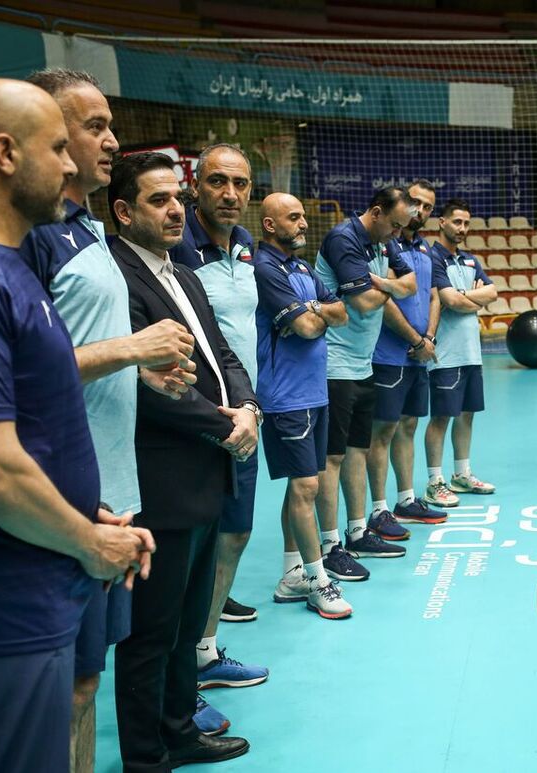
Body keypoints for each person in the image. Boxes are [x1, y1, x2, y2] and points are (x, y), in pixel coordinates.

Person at [0, 77, 152, 773]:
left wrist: (80, 509)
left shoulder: (6, 266)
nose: (72, 165)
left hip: (41, 576)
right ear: (7, 153)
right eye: (58, 149)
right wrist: (90, 540)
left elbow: (27, 422)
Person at [19, 67, 202, 767]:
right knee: (56, 689)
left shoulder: (87, 231)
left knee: (85, 682)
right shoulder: (31, 237)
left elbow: (75, 347)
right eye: (93, 125)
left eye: (109, 125)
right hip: (61, 495)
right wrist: (131, 347)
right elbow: (19, 369)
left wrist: (137, 370)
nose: (111, 141)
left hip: (112, 491)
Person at [110, 151, 258, 769]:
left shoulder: (185, 275)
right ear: (124, 212)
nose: (176, 209)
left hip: (205, 475)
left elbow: (222, 353)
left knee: (187, 622)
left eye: (177, 197)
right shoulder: (118, 278)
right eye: (159, 200)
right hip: (163, 480)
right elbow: (146, 388)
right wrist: (225, 427)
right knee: (152, 631)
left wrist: (247, 406)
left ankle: (179, 731)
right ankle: (146, 757)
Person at [167, 144, 269, 714]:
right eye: (217, 182)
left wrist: (250, 404)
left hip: (244, 416)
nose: (230, 194)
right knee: (192, 548)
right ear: (196, 187)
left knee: (234, 534)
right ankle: (178, 678)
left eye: (240, 183)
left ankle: (204, 652)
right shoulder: (178, 245)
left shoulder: (245, 245)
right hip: (197, 420)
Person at [254, 192, 354, 618]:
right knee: (306, 487)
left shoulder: (301, 267)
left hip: (314, 392)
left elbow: (341, 312)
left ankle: (291, 573)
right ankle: (317, 579)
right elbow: (307, 327)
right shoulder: (265, 268)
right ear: (270, 225)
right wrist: (316, 313)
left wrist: (315, 310)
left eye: (302, 217)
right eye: (293, 217)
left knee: (302, 485)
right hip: (286, 396)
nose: (303, 224)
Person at [315, 186, 416, 564]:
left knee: (357, 449)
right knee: (332, 457)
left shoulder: (383, 242)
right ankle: (329, 546)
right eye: (394, 225)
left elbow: (410, 285)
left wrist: (382, 283)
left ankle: (357, 531)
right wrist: (391, 287)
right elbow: (362, 301)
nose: (398, 234)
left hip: (362, 363)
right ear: (376, 212)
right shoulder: (344, 239)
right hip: (334, 364)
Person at [367, 179, 447, 534]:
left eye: (428, 206)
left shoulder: (426, 248)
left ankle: (406, 499)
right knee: (382, 431)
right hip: (388, 355)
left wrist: (428, 338)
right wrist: (416, 339)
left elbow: (433, 296)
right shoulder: (384, 245)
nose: (421, 211)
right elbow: (382, 300)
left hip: (419, 354)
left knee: (409, 426)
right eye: (416, 203)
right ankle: (379, 510)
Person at [424, 198, 498, 507]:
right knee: (441, 417)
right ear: (442, 222)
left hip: (471, 353)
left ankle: (462, 474)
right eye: (457, 222)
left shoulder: (469, 260)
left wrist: (465, 295)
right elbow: (449, 301)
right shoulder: (432, 257)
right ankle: (434, 481)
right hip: (445, 355)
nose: (462, 228)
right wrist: (474, 297)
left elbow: (492, 292)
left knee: (467, 415)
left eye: (466, 223)